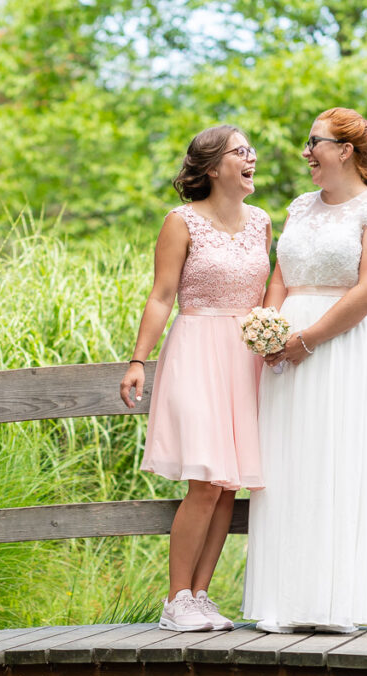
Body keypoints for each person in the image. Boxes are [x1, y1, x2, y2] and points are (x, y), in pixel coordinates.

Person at [242, 107, 367, 633]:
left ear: (346, 151)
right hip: (285, 349)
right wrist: (269, 327)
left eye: (315, 142)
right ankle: (282, 605)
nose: (306, 152)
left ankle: (337, 605)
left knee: (339, 462)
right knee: (286, 466)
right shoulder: (299, 208)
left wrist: (305, 341)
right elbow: (280, 276)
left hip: (340, 349)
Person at [120, 125, 271, 632]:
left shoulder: (263, 223)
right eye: (239, 151)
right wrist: (139, 359)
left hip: (245, 358)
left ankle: (202, 596)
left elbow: (271, 291)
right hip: (195, 349)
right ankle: (175, 600)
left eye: (251, 150)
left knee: (229, 487)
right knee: (205, 482)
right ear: (211, 167)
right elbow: (162, 295)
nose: (250, 158)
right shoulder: (180, 222)